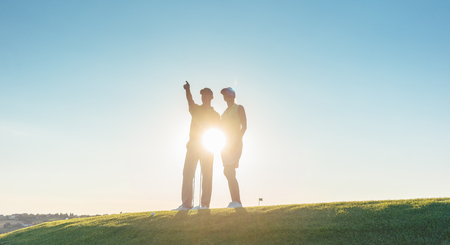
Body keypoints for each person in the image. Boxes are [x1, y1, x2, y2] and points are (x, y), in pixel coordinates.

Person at [173, 81, 220, 211]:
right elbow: (190, 101)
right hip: (193, 144)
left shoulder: (216, 115)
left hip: (208, 145)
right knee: (188, 173)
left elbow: (218, 131)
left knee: (207, 174)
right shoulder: (196, 109)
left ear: (211, 97)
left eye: (206, 94)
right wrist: (187, 90)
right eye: (202, 95)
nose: (203, 97)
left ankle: (205, 204)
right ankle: (186, 204)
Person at [220, 87, 247, 208]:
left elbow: (244, 126)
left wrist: (236, 141)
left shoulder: (239, 108)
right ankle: (234, 201)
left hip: (235, 143)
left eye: (227, 93)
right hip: (225, 146)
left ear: (233, 95)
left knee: (228, 171)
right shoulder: (223, 113)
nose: (225, 96)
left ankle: (238, 202)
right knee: (229, 172)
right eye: (224, 95)